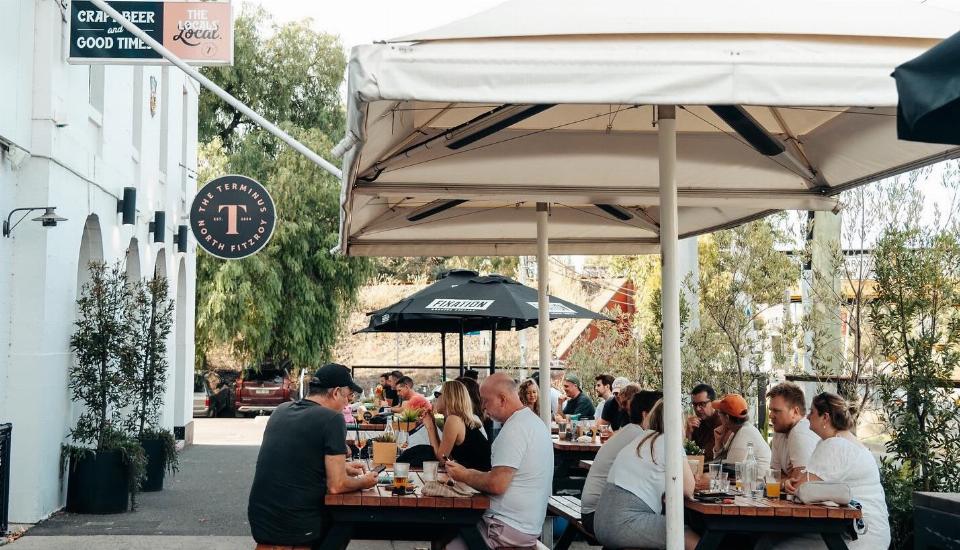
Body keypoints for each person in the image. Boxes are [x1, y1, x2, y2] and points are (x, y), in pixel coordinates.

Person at [248, 363, 378, 548]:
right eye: (348, 396)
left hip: (261, 515)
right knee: (343, 525)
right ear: (336, 392)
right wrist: (365, 481)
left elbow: (295, 459)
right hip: (295, 520)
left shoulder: (281, 410)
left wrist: (343, 467)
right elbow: (337, 485)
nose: (348, 403)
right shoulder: (332, 419)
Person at [445, 373, 553, 550]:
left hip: (507, 527)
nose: (483, 406)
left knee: (449, 542)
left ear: (502, 399)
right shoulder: (531, 422)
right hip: (526, 524)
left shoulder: (514, 429)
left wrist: (463, 474)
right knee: (448, 532)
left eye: (486, 401)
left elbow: (497, 484)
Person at [775, 393, 890, 550]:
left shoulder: (836, 445)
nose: (807, 417)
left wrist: (789, 483)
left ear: (825, 417)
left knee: (774, 545)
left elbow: (800, 487)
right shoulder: (839, 441)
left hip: (858, 536)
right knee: (770, 541)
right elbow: (805, 485)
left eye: (812, 412)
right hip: (859, 528)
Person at [594, 400, 700, 550]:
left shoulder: (640, 440)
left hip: (602, 521)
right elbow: (688, 489)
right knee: (681, 533)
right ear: (679, 423)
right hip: (623, 524)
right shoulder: (669, 442)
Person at [581, 389, 662, 535]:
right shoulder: (640, 438)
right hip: (598, 515)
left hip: (595, 512)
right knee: (677, 529)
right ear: (646, 415)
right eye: (660, 412)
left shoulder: (630, 431)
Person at [422, 380, 491, 471]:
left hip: (479, 481)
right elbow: (447, 458)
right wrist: (433, 424)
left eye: (437, 395)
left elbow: (441, 460)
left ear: (448, 398)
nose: (435, 399)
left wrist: (430, 427)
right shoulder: (459, 419)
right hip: (478, 477)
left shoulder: (454, 420)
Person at [766, 382, 819, 478]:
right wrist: (788, 477)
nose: (770, 415)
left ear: (795, 411)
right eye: (771, 410)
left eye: (776, 411)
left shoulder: (800, 432)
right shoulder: (780, 432)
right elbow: (774, 475)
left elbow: (799, 483)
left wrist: (788, 478)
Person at [711, 394, 771, 472]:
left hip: (758, 483)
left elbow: (730, 470)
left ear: (727, 418)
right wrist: (718, 442)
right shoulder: (739, 431)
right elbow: (719, 462)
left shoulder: (744, 433)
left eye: (719, 413)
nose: (718, 416)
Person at [685, 383, 722, 461]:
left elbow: (708, 455)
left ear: (713, 403)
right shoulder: (695, 422)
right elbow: (686, 454)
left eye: (702, 404)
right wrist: (688, 432)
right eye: (695, 405)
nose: (698, 409)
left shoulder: (721, 422)